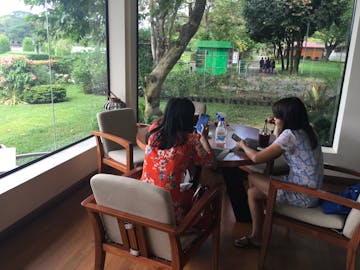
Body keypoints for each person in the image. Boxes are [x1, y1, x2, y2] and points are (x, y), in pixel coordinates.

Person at [233, 97, 323, 248]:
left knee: (252, 176)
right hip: (312, 191)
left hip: (301, 194)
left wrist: (242, 145)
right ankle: (257, 235)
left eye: (277, 116)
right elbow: (280, 142)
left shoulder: (289, 136)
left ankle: (267, 214)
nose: (274, 118)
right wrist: (278, 125)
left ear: (285, 119)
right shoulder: (308, 128)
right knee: (253, 193)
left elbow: (256, 158)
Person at [140, 97, 215, 224]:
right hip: (170, 211)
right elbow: (211, 163)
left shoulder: (153, 133)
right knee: (203, 189)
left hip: (143, 202)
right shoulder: (191, 140)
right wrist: (203, 138)